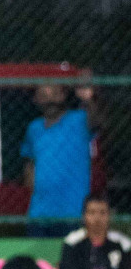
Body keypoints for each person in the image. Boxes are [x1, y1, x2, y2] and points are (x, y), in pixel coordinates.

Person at [21, 83, 91, 227]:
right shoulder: (34, 128)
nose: (50, 100)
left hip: (74, 213)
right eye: (44, 96)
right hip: (40, 214)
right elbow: (29, 162)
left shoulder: (79, 120)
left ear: (63, 95)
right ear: (36, 99)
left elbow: (98, 120)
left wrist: (88, 99)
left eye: (54, 94)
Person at [59, 196, 129, 269]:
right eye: (92, 212)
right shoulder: (72, 243)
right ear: (84, 215)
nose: (97, 218)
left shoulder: (123, 244)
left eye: (102, 212)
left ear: (109, 215)